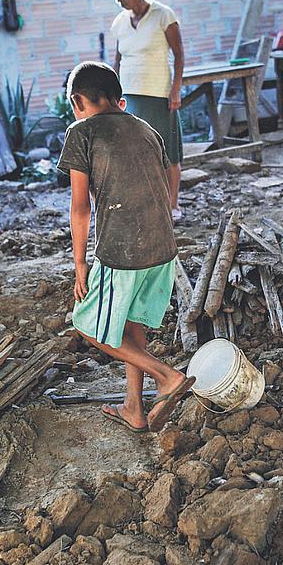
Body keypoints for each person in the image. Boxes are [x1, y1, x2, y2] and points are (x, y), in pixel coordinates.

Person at [59, 61, 194, 433]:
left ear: (77, 101)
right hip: (163, 245)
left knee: (88, 325)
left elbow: (80, 208)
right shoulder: (147, 129)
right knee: (132, 324)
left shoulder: (82, 132)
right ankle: (133, 408)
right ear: (118, 99)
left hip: (124, 250)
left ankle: (166, 377)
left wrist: (80, 264)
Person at [110, 0, 185, 220]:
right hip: (130, 96)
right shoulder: (120, 22)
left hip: (159, 94)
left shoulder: (164, 15)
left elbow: (179, 55)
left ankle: (173, 205)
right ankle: (147, 201)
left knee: (168, 152)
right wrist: (114, 94)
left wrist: (175, 90)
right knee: (137, 152)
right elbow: (117, 61)